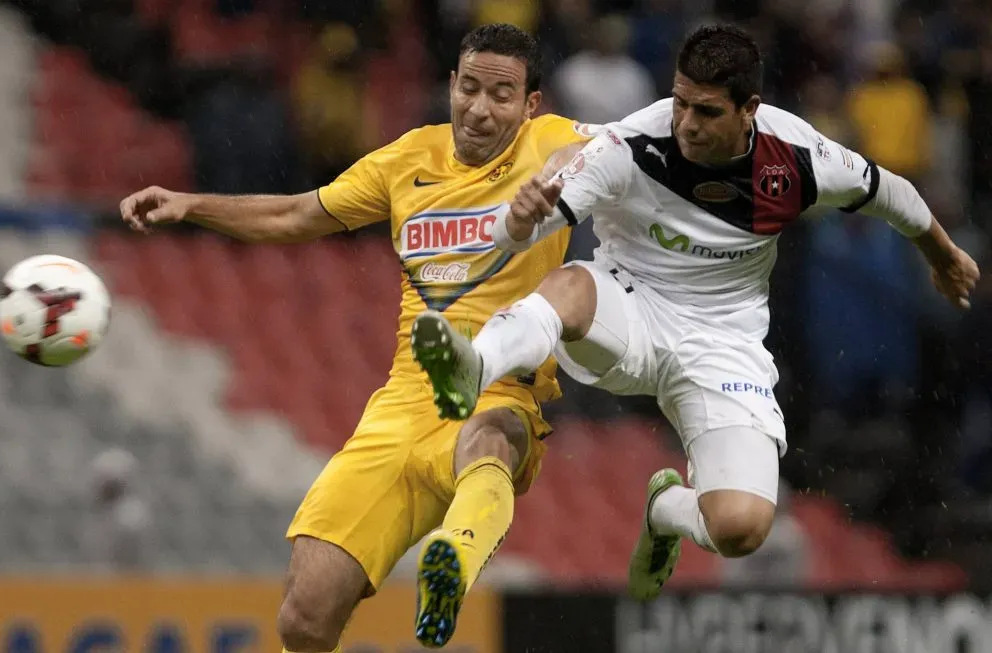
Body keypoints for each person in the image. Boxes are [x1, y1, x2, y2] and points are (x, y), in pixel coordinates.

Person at [409, 24, 980, 601]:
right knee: (570, 287)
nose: (685, 123)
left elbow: (894, 194)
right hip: (630, 306)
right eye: (680, 103)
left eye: (706, 112)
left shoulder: (801, 158)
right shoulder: (632, 145)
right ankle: (470, 368)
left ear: (749, 109)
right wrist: (521, 216)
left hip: (723, 341)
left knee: (741, 528)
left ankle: (665, 510)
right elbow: (518, 235)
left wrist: (944, 255)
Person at [119, 24, 590, 652]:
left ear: (531, 104)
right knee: (303, 616)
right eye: (469, 88)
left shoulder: (550, 141)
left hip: (500, 386)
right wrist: (189, 204)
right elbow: (297, 214)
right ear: (450, 84)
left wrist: (552, 182)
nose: (479, 108)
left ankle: (454, 558)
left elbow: (586, 153)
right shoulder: (407, 160)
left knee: (491, 439)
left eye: (501, 95)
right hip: (402, 405)